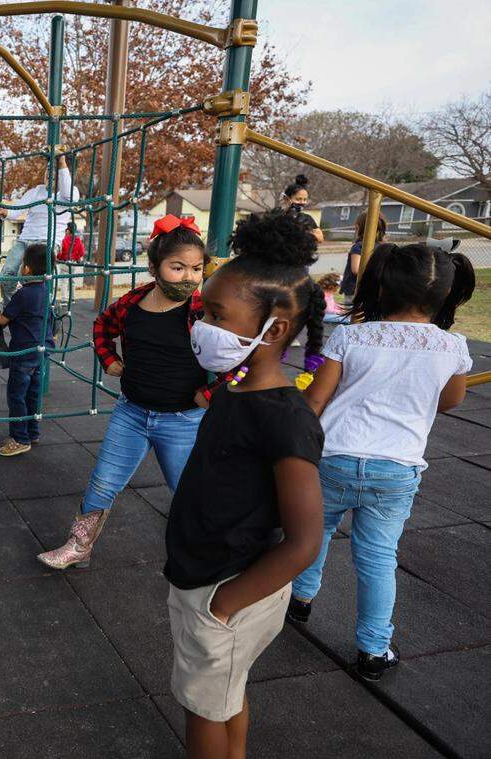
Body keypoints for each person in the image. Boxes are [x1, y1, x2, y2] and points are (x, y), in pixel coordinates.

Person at [164, 208, 326, 759]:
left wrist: (225, 605)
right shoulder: (233, 385)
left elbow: (305, 541)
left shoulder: (284, 417)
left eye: (216, 314)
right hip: (206, 571)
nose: (202, 324)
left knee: (202, 706)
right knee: (222, 697)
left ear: (274, 329)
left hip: (229, 585)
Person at [291, 242, 474, 682]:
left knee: (315, 533)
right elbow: (450, 400)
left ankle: (299, 599)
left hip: (334, 457)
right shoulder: (451, 346)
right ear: (446, 296)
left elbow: (316, 399)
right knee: (377, 558)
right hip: (396, 470)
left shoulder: (352, 336)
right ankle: (373, 649)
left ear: (384, 285)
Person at [38, 215, 212, 570]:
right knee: (103, 480)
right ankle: (79, 545)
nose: (189, 277)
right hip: (132, 413)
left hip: (181, 419)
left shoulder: (204, 311)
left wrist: (210, 394)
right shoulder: (134, 303)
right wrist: (108, 358)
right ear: (154, 267)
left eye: (196, 269)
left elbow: (243, 359)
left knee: (189, 491)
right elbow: (102, 324)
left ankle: (208, 554)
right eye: (178, 267)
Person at [0, 242, 53, 457]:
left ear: (27, 269)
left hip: (23, 353)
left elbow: (3, 320)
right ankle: (32, 432)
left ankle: (20, 438)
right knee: (33, 394)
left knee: (17, 396)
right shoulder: (44, 290)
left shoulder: (24, 295)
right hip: (42, 351)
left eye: (23, 264)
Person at [0, 154, 74, 303]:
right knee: (7, 276)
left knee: (30, 278)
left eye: (55, 174)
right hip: (24, 241)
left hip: (46, 243)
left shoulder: (68, 194)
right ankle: (11, 308)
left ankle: (44, 308)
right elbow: (18, 209)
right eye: (48, 171)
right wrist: (6, 212)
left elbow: (68, 195)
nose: (49, 176)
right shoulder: (36, 192)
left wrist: (62, 161)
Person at [341, 212, 387, 299]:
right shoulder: (383, 247)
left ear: (357, 227)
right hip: (374, 289)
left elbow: (356, 269)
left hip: (355, 290)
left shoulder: (359, 246)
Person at [281, 174, 324, 244]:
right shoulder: (278, 216)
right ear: (286, 199)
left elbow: (320, 238)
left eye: (304, 199)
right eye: (298, 199)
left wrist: (305, 233)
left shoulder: (307, 218)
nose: (302, 202)